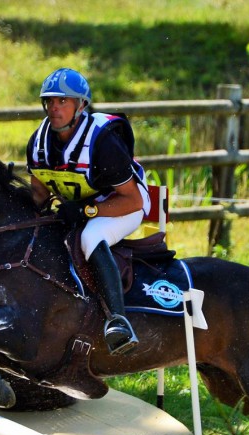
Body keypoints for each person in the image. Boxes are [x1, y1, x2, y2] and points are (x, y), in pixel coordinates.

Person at [27, 68, 150, 355]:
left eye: (63, 102)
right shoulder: (37, 142)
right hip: (78, 208)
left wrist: (86, 210)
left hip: (121, 206)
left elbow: (133, 201)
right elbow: (39, 195)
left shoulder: (102, 142)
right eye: (50, 102)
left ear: (81, 105)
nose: (54, 109)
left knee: (90, 237)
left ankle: (118, 321)